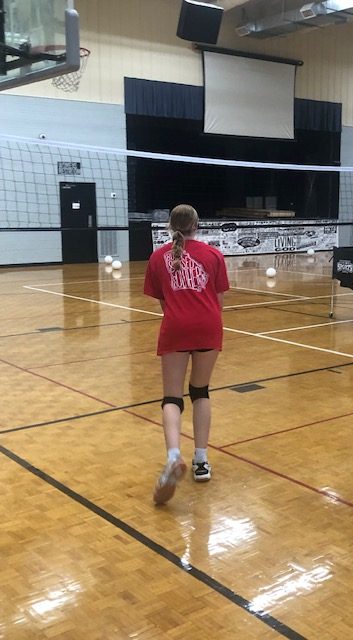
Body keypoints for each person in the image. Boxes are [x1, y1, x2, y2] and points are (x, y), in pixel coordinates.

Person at [144, 204, 230, 505]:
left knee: (172, 397)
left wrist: (180, 315)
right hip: (208, 325)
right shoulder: (214, 255)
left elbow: (163, 303)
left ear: (170, 226)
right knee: (200, 391)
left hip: (176, 326)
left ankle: (173, 456)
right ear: (197, 225)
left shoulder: (157, 257)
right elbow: (219, 301)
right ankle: (201, 460)